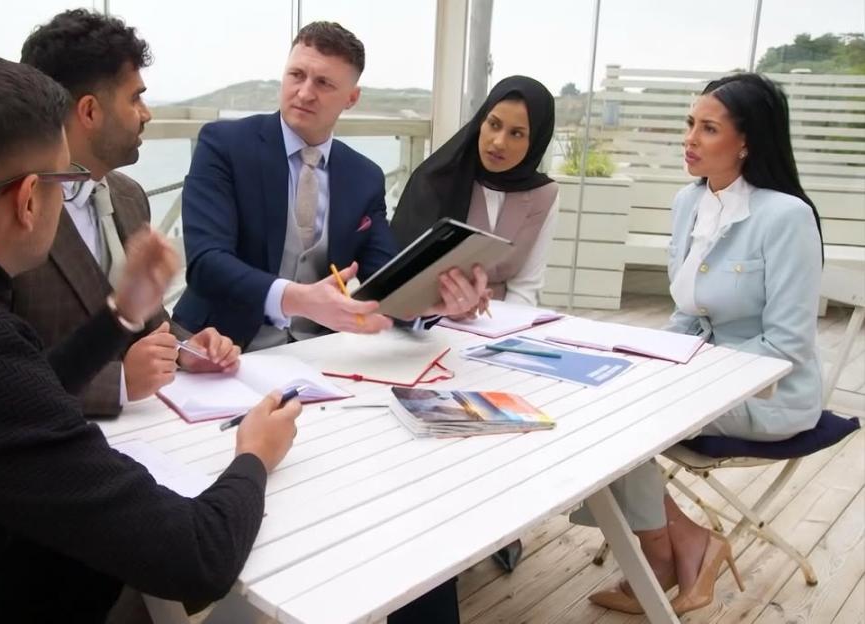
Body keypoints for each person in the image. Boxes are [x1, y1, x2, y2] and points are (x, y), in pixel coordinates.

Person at [0, 50, 300, 623]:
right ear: (28, 199)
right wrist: (254, 456)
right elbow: (196, 556)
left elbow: (19, 401)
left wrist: (120, 314)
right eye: (67, 181)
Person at [573, 73, 823, 616]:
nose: (689, 138)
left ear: (747, 142)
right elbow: (688, 314)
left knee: (617, 418)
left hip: (768, 392)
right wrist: (647, 360)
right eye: (691, 124)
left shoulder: (786, 218)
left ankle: (662, 554)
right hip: (698, 375)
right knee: (591, 395)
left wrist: (686, 377)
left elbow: (787, 344)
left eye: (707, 128)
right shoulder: (688, 202)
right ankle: (680, 540)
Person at [173, 20, 486, 351]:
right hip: (218, 348)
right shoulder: (223, 145)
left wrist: (429, 304)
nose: (305, 93)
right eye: (297, 75)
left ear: (351, 98)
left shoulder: (364, 176)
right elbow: (206, 262)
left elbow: (384, 277)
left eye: (323, 83)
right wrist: (299, 299)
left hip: (318, 353)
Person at [7, 9, 239, 419]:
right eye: (135, 98)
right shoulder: (10, 213)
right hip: (53, 448)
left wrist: (186, 349)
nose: (147, 114)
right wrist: (117, 385)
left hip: (152, 430)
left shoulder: (129, 196)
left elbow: (148, 318)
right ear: (90, 112)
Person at [392, 75, 560, 313]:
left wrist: (500, 335)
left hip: (504, 325)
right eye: (494, 124)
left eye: (517, 134)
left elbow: (525, 288)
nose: (499, 142)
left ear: (535, 142)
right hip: (432, 321)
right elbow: (403, 281)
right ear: (481, 121)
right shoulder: (436, 181)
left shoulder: (544, 196)